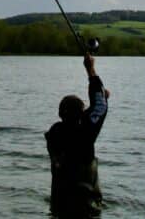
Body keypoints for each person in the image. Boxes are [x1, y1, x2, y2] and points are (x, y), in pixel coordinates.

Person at [45, 53, 110, 218]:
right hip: (87, 207)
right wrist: (90, 69)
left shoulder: (54, 133)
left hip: (59, 206)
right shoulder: (86, 131)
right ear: (82, 114)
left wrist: (102, 99)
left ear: (60, 114)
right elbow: (98, 107)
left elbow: (91, 112)